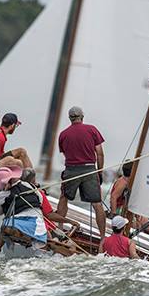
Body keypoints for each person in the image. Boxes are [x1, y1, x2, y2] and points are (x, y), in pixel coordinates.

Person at [0, 166, 80, 255]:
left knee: (5, 225)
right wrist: (70, 221)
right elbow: (46, 210)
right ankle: (50, 245)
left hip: (21, 227)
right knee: (46, 236)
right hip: (39, 226)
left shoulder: (2, 195)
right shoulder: (33, 188)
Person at [57, 106, 107, 251]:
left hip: (71, 169)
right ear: (82, 117)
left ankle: (60, 229)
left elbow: (65, 153)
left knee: (63, 198)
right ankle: (103, 237)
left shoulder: (63, 134)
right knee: (97, 204)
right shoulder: (92, 130)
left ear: (70, 118)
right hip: (89, 169)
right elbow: (100, 153)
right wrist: (99, 171)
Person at [109, 161, 149, 241]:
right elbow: (113, 197)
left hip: (131, 209)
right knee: (136, 227)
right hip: (121, 210)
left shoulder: (129, 182)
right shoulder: (123, 183)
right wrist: (114, 215)